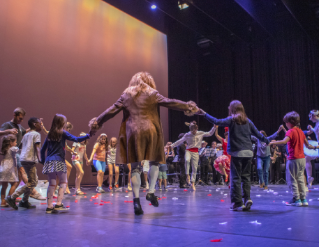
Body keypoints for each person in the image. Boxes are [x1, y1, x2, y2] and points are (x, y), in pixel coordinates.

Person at [88, 71, 198, 215]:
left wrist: (97, 123)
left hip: (133, 132)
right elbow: (170, 102)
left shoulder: (126, 94)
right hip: (151, 130)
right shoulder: (152, 93)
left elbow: (111, 110)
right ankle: (151, 191)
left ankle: (136, 201)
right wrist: (188, 107)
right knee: (155, 163)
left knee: (134, 168)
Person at [197, 100, 269, 211]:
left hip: (237, 152)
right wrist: (267, 140)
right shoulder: (248, 121)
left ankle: (238, 203)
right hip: (248, 153)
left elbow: (217, 121)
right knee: (246, 177)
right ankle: (247, 198)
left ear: (232, 109)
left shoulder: (232, 120)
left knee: (235, 178)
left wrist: (204, 114)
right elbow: (258, 135)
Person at [41, 114, 90, 213]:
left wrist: (43, 161)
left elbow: (42, 150)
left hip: (49, 161)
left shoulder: (50, 134)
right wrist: (88, 135)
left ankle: (49, 206)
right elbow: (76, 139)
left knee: (52, 183)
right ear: (62, 123)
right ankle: (58, 204)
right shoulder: (62, 133)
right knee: (63, 182)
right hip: (59, 160)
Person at [270, 111, 314, 206]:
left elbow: (284, 141)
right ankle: (303, 199)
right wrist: (316, 147)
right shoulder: (301, 132)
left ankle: (296, 199)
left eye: (286, 122)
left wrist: (272, 142)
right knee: (301, 179)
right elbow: (308, 145)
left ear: (290, 122)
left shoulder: (290, 131)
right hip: (302, 159)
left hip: (293, 159)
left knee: (292, 179)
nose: (285, 124)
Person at [0, 107, 45, 200]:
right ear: (14, 115)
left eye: (22, 118)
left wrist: (36, 125)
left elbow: (26, 131)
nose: (21, 120)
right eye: (20, 118)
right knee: (22, 171)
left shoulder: (20, 127)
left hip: (19, 152)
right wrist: (8, 131)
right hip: (12, 153)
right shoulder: (7, 125)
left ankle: (10, 198)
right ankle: (33, 192)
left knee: (18, 178)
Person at [6, 118, 42, 209]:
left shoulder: (26, 135)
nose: (41, 125)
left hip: (24, 159)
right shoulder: (36, 134)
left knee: (33, 181)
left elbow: (21, 146)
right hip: (30, 160)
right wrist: (41, 159)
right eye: (39, 123)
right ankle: (12, 197)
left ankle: (24, 201)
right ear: (34, 124)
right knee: (32, 182)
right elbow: (37, 147)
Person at [171, 122, 215, 191]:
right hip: (188, 150)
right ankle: (187, 175)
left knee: (195, 167)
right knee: (187, 160)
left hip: (195, 151)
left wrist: (214, 127)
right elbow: (180, 141)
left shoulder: (200, 133)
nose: (193, 132)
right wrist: (172, 146)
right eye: (192, 130)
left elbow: (210, 133)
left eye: (194, 130)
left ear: (196, 129)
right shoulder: (187, 134)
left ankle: (193, 183)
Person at [42, 121, 75, 195]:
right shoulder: (57, 133)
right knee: (62, 171)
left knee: (63, 171)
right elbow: (47, 132)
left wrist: (72, 151)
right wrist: (43, 127)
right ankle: (63, 186)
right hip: (55, 157)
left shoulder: (63, 135)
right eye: (68, 130)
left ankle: (58, 189)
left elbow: (66, 147)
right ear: (65, 128)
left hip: (60, 157)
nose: (68, 132)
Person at [0, 135, 19, 207]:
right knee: (15, 183)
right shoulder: (13, 149)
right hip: (9, 168)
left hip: (3, 168)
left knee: (4, 186)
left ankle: (3, 202)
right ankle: (9, 199)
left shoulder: (4, 149)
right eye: (15, 142)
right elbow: (17, 149)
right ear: (11, 142)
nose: (16, 143)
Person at [303, 110, 319, 188]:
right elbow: (316, 131)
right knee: (307, 158)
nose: (310, 119)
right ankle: (309, 177)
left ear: (314, 116)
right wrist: (311, 129)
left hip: (318, 146)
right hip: (317, 144)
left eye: (310, 117)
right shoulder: (317, 123)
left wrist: (315, 147)